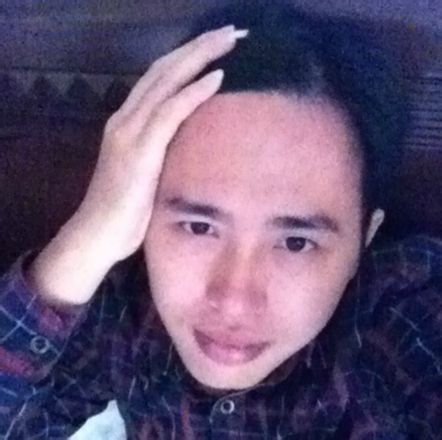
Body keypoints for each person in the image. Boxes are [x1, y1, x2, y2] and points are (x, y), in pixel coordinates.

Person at [0, 1, 440, 439]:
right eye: (199, 227)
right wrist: (87, 238)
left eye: (295, 242)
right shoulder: (126, 311)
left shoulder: (399, 319)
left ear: (366, 236)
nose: (233, 303)